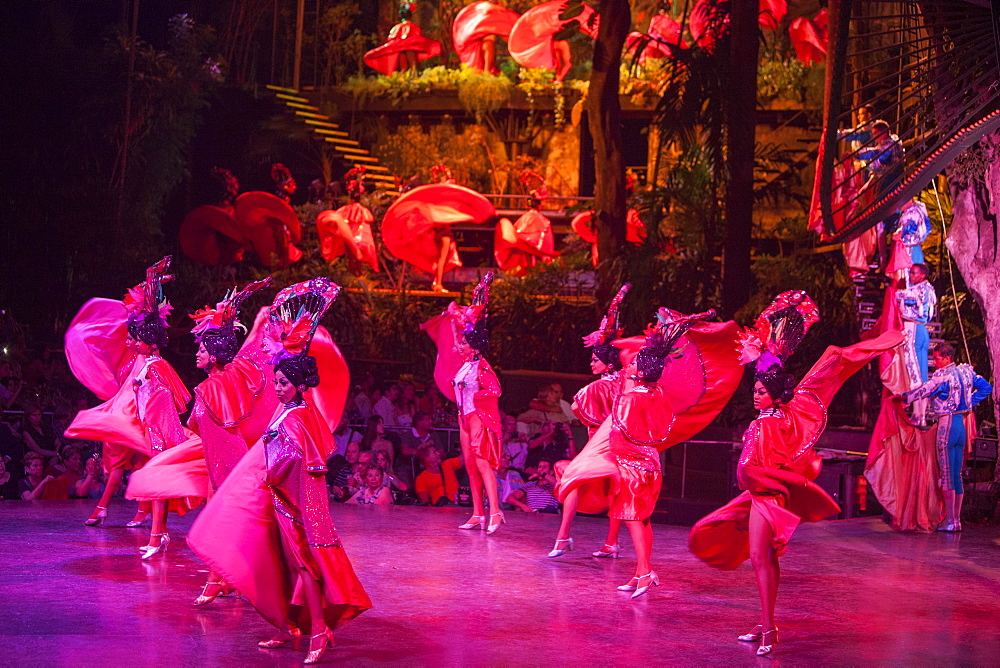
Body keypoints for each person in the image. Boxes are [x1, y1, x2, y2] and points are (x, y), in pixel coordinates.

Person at [689, 295, 903, 656]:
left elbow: (764, 463)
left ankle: (770, 627)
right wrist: (764, 356)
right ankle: (766, 622)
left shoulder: (778, 421)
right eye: (754, 391)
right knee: (762, 561)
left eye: (760, 391)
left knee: (760, 559)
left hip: (768, 497)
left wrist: (763, 356)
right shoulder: (766, 419)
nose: (755, 396)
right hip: (758, 495)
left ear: (774, 394)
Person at [187, 277, 370, 662]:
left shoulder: (300, 416)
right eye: (279, 381)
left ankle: (319, 633)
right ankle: (293, 629)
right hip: (280, 500)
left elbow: (307, 462)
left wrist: (272, 476)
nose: (280, 387)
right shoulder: (285, 411)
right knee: (284, 566)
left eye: (285, 383)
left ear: (300, 385)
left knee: (305, 567)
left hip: (300, 506)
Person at [128, 278, 274, 597]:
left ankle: (216, 579)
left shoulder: (209, 388)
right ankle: (226, 578)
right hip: (218, 460)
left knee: (220, 524)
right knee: (223, 523)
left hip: (226, 463)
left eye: (203, 349)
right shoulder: (230, 379)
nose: (197, 354)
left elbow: (196, 422)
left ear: (215, 353)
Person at [64, 257, 182, 529]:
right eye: (129, 336)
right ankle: (135, 511)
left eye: (133, 337)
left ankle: (107, 509)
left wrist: (153, 287)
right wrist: (151, 283)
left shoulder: (145, 359)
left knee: (123, 465)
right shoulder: (127, 359)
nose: (129, 340)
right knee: (127, 464)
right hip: (129, 415)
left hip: (139, 418)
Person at [550, 284, 629, 559]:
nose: (591, 364)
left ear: (608, 364)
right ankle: (611, 543)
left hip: (600, 446)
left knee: (569, 476)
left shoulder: (597, 388)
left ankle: (563, 537)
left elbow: (576, 408)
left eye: (595, 359)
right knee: (618, 491)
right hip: (622, 446)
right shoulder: (624, 383)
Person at [421, 272, 505, 533]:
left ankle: (496, 512)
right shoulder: (464, 366)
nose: (460, 345)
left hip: (478, 417)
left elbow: (495, 390)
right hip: (463, 418)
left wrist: (477, 398)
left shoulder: (481, 367)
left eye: (465, 343)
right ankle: (477, 513)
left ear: (475, 346)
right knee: (470, 467)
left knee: (483, 465)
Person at [901, 342, 993, 532]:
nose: (935, 362)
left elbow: (923, 391)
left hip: (947, 426)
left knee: (948, 475)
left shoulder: (942, 377)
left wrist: (901, 398)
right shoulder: (967, 372)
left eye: (937, 358)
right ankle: (955, 520)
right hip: (961, 426)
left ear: (947, 358)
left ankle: (950, 521)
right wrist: (968, 403)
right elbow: (987, 388)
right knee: (957, 475)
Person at [897, 263, 937, 425]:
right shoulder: (927, 288)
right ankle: (919, 415)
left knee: (914, 373)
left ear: (922, 275)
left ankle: (918, 415)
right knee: (921, 375)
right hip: (920, 331)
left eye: (913, 273)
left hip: (915, 331)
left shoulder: (920, 289)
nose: (911, 276)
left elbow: (899, 296)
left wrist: (895, 292)